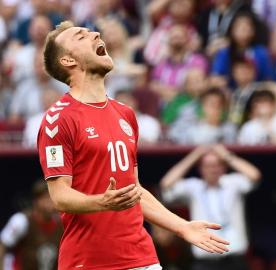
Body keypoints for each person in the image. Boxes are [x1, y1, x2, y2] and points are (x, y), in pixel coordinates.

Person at [37, 21, 229, 269]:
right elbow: (60, 196)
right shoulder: (59, 118)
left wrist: (182, 226)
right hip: (88, 260)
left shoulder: (125, 114)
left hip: (141, 257)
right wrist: (101, 203)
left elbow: (134, 190)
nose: (95, 33)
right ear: (68, 61)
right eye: (81, 36)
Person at [160, 144, 261, 270]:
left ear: (224, 168)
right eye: (208, 166)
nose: (213, 169)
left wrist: (226, 155)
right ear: (201, 169)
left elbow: (254, 175)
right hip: (205, 261)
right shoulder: (194, 187)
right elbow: (166, 183)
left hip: (235, 259)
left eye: (217, 165)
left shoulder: (232, 183)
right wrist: (194, 156)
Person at [0, 180, 63, 270]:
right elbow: (3, 245)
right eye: (46, 198)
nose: (50, 202)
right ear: (36, 200)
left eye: (52, 197)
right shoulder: (21, 221)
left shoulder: (61, 224)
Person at [211, 11, 273, 87]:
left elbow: (267, 80)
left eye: (247, 26)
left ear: (253, 30)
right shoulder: (225, 53)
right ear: (232, 30)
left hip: (256, 92)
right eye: (239, 26)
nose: (244, 29)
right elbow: (216, 78)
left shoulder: (261, 52)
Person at [150, 23, 208, 103]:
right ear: (169, 41)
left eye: (179, 37)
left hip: (189, 104)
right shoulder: (162, 63)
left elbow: (199, 84)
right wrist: (165, 92)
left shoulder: (197, 61)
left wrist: (176, 93)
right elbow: (153, 84)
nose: (176, 41)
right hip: (164, 104)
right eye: (173, 38)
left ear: (187, 40)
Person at [169, 88, 236, 144]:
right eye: (212, 104)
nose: (215, 108)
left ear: (224, 108)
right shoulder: (192, 130)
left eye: (219, 105)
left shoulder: (229, 129)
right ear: (203, 106)